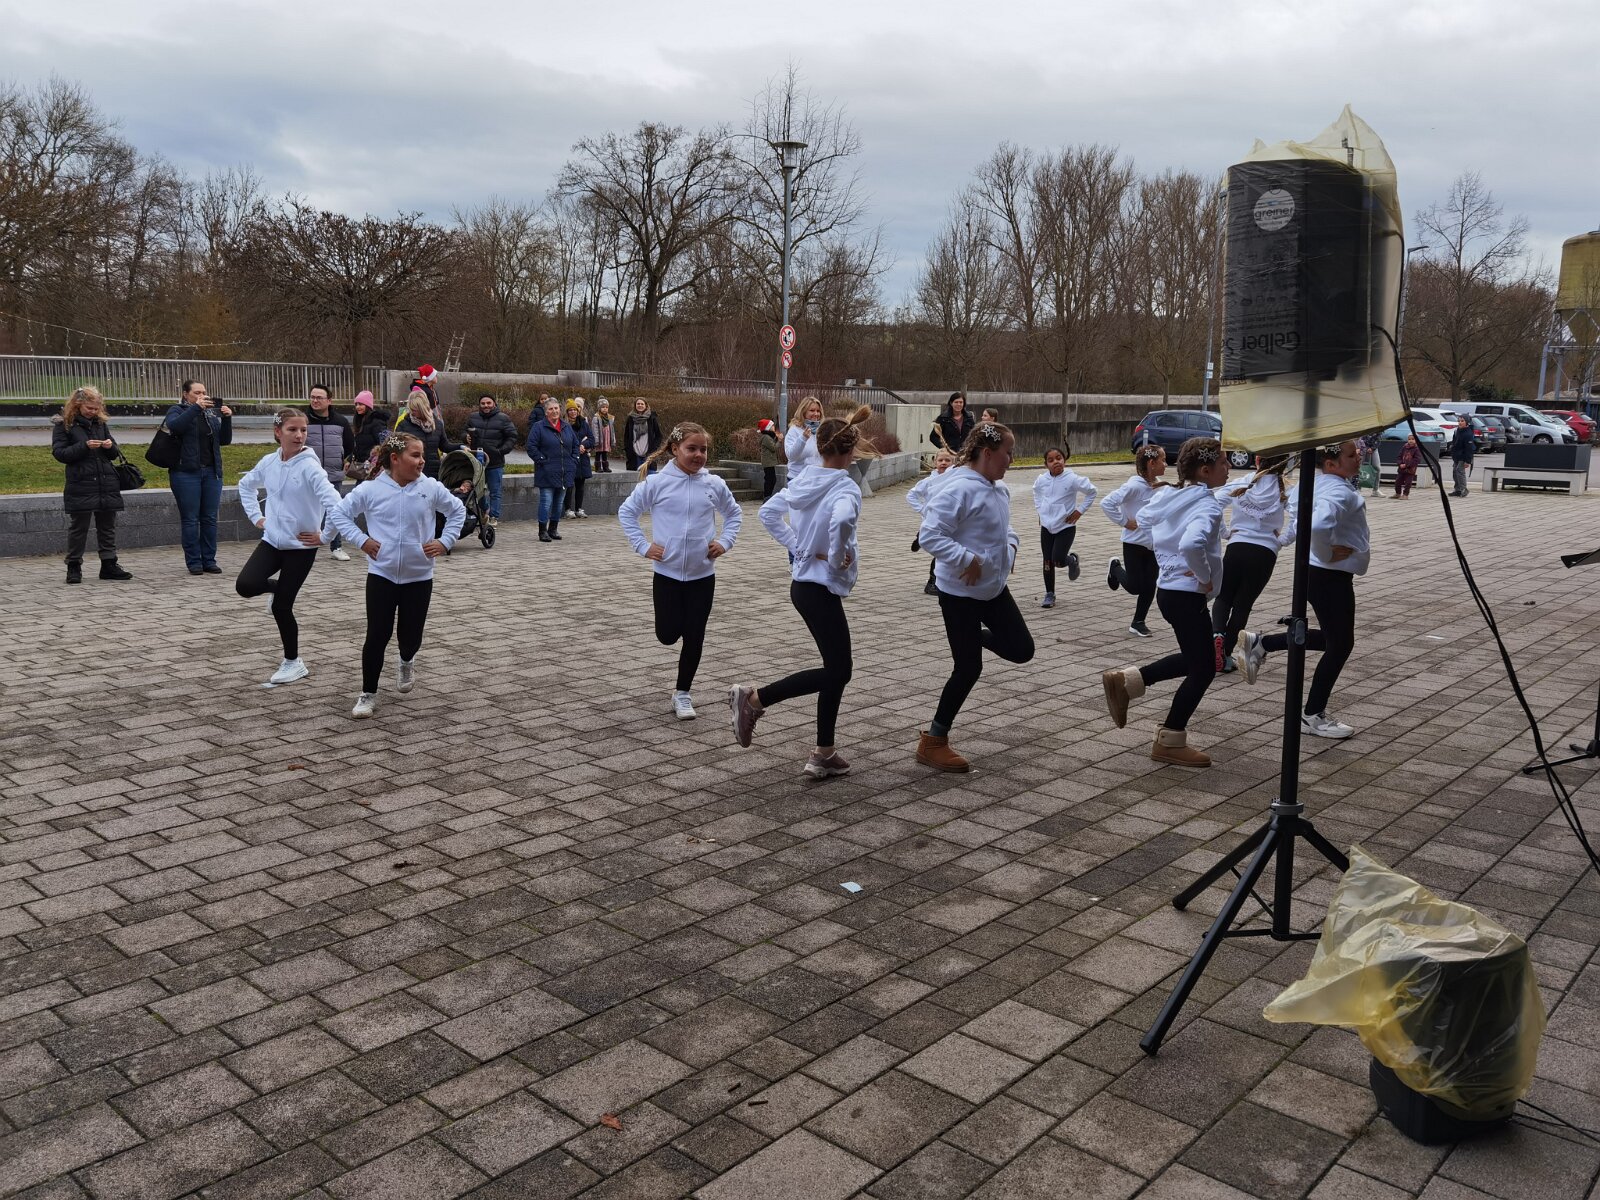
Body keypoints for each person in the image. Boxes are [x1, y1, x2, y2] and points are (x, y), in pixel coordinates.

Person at [731, 407, 875, 778]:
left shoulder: (805, 479)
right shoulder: (845, 486)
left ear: (819, 448)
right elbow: (842, 520)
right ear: (850, 451)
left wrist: (799, 548)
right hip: (820, 589)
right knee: (839, 671)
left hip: (804, 586)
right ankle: (754, 699)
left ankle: (824, 753)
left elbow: (767, 514)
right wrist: (836, 557)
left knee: (834, 669)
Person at [1101, 437, 1230, 767]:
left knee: (1197, 659)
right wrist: (1204, 576)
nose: (1229, 467)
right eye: (1224, 462)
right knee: (1204, 668)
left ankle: (1128, 682)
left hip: (1169, 592)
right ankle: (1170, 740)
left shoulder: (1170, 496)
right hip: (1187, 595)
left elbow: (1148, 521)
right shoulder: (1206, 506)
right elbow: (1191, 544)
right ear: (1205, 470)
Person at [916, 422, 1034, 772]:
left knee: (1022, 649)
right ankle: (933, 741)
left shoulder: (998, 489)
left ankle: (974, 638)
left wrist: (1011, 548)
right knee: (968, 668)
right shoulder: (958, 489)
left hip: (993, 590)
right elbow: (929, 535)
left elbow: (1005, 529)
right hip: (959, 594)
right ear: (986, 453)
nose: (1011, 459)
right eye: (1008, 453)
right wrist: (966, 559)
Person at [1236, 440, 1370, 739]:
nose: (1358, 457)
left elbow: (1300, 518)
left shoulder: (1313, 484)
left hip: (1317, 573)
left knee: (1335, 639)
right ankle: (1312, 715)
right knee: (1340, 645)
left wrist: (1284, 540)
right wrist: (1325, 553)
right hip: (1329, 575)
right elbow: (1317, 525)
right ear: (1331, 464)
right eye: (1351, 454)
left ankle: (1263, 643)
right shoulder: (1338, 491)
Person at [331, 432, 465, 719]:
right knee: (377, 635)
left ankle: (406, 660)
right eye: (415, 455)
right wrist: (362, 540)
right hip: (382, 574)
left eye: (423, 455)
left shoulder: (430, 487)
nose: (422, 461)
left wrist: (445, 541)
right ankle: (368, 693)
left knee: (410, 636)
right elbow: (339, 514)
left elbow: (457, 510)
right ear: (395, 458)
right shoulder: (371, 490)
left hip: (419, 576)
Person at [618, 421, 743, 720]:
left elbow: (734, 514)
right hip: (667, 575)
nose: (699, 455)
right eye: (692, 448)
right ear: (675, 449)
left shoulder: (713, 484)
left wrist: (724, 541)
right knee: (667, 634)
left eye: (703, 449)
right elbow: (627, 512)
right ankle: (678, 633)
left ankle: (683, 693)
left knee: (695, 636)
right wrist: (643, 546)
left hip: (702, 575)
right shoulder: (657, 483)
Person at [235, 410, 345, 687]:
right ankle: (277, 589)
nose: (299, 435)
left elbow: (336, 504)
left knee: (283, 607)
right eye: (292, 430)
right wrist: (257, 518)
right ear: (278, 432)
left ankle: (293, 663)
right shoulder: (269, 462)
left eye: (303, 430)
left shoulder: (310, 468)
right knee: (246, 585)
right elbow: (245, 486)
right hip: (272, 540)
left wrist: (325, 536)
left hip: (301, 547)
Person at [1210, 457, 1295, 674]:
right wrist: (1283, 540)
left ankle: (1216, 635)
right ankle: (1226, 654)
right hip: (1265, 552)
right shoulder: (1286, 489)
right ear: (1285, 464)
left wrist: (1225, 532)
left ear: (1257, 460)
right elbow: (1301, 516)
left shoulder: (1243, 481)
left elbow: (1214, 503)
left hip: (1237, 546)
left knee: (1223, 597)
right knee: (1243, 605)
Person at [52, 385, 132, 585]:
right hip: (81, 482)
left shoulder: (100, 423)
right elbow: (60, 453)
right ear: (77, 405)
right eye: (89, 408)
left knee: (107, 526)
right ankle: (74, 566)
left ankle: (109, 564)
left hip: (106, 481)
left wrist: (110, 446)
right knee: (79, 527)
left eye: (96, 408)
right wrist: (84, 446)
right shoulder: (65, 425)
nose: (93, 412)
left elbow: (113, 453)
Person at [165, 379, 233, 576]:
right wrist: (196, 408)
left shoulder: (209, 413)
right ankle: (194, 561)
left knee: (210, 518)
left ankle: (209, 560)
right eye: (197, 393)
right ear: (185, 394)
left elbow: (224, 440)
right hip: (185, 473)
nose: (202, 396)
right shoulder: (177, 410)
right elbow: (175, 427)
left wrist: (227, 419)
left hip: (211, 472)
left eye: (204, 392)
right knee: (190, 519)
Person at [1101, 445, 1167, 636]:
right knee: (1135, 586)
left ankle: (1138, 622)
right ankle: (1115, 568)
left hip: (1154, 544)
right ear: (1151, 463)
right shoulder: (1134, 486)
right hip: (1134, 543)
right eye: (1163, 460)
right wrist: (1124, 521)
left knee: (1150, 584)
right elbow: (1107, 503)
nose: (1166, 464)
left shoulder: (1161, 486)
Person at [1032, 445, 1096, 609]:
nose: (1055, 462)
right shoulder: (1042, 480)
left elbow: (1092, 492)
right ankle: (1049, 594)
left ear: (1064, 460)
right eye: (1051, 460)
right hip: (1047, 527)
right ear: (1046, 464)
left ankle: (1071, 560)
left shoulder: (1072, 479)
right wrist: (1040, 509)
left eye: (1058, 458)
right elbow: (1036, 491)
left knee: (1058, 560)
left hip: (1065, 526)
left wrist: (1079, 511)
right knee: (1047, 561)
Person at [304, 383, 354, 561]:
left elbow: (349, 445)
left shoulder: (340, 421)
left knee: (335, 510)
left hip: (333, 474)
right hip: (308, 475)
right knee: (307, 510)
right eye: (312, 397)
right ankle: (304, 545)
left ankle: (337, 546)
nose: (315, 400)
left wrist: (345, 460)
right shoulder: (303, 419)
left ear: (329, 401)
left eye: (319, 397)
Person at [527, 397, 577, 542]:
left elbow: (575, 444)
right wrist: (542, 460)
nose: (554, 411)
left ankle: (553, 529)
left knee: (559, 503)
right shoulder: (538, 427)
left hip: (564, 472)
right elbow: (531, 447)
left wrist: (574, 460)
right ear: (546, 412)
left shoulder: (566, 427)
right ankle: (542, 531)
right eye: (551, 409)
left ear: (560, 410)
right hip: (546, 472)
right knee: (546, 502)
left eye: (556, 408)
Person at [907, 449, 956, 596]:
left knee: (944, 550)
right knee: (941, 552)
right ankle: (932, 583)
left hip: (950, 521)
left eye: (947, 460)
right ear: (935, 462)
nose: (944, 463)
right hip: (933, 522)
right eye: (940, 460)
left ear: (953, 463)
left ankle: (921, 537)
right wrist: (923, 510)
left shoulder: (955, 480)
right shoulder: (928, 481)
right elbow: (911, 495)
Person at [465, 392, 516, 526]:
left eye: (488, 403)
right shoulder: (473, 417)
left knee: (495, 492)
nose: (486, 406)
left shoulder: (503, 418)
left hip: (495, 462)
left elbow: (512, 437)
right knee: (477, 491)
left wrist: (501, 451)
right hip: (477, 462)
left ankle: (494, 516)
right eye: (483, 403)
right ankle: (484, 510)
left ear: (494, 403)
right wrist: (465, 437)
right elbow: (463, 431)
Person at [394, 389, 456, 478]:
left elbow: (445, 446)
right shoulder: (403, 425)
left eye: (415, 409)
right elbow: (394, 447)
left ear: (423, 408)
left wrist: (461, 447)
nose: (412, 412)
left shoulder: (437, 424)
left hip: (434, 474)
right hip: (411, 474)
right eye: (411, 408)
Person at [784, 397, 825, 487]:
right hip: (797, 480)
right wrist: (803, 438)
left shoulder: (822, 430)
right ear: (803, 412)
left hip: (817, 480)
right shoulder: (794, 430)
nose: (816, 414)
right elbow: (791, 456)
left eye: (818, 411)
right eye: (812, 410)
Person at [565, 398, 593, 517]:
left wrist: (584, 445)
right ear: (567, 412)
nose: (573, 412)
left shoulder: (583, 423)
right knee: (569, 485)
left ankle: (579, 508)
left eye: (575, 410)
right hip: (571, 457)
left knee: (580, 485)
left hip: (582, 459)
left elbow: (591, 439)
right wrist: (577, 447)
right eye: (570, 410)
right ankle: (567, 509)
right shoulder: (565, 425)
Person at [350, 391, 390, 474]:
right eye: (356, 404)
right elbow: (359, 446)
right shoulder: (360, 421)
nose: (357, 407)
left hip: (372, 465)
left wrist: (374, 460)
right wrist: (350, 459)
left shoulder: (376, 422)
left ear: (367, 406)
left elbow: (383, 443)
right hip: (362, 464)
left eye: (361, 404)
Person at [624, 398, 664, 472]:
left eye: (642, 404)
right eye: (638, 404)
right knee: (636, 477)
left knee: (650, 476)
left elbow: (659, 435)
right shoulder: (630, 418)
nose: (640, 405)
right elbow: (626, 436)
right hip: (634, 454)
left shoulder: (651, 418)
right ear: (635, 405)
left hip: (648, 454)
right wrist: (628, 449)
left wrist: (653, 449)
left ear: (646, 405)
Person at [1449, 416, 1475, 497]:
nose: (1460, 422)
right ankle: (1457, 490)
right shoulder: (1457, 431)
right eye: (1459, 421)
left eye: (1462, 421)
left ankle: (1464, 489)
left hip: (1463, 456)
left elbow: (1469, 448)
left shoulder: (1468, 433)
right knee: (1455, 472)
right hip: (1456, 456)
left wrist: (1468, 461)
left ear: (1467, 422)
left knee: (1460, 471)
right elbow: (1454, 442)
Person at [592, 397, 616, 473]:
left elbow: (612, 429)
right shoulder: (596, 417)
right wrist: (596, 440)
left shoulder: (610, 418)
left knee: (605, 452)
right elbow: (595, 429)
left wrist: (613, 439)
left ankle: (606, 466)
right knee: (598, 452)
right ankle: (598, 467)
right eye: (603, 407)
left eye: (606, 407)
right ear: (599, 408)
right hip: (600, 438)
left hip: (607, 438)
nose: (605, 409)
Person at [758, 418, 781, 499]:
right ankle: (767, 496)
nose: (774, 427)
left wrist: (777, 438)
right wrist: (779, 441)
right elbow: (773, 448)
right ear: (768, 428)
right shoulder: (766, 437)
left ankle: (768, 496)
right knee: (770, 480)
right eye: (772, 426)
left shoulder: (767, 437)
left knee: (771, 479)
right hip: (768, 462)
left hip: (769, 462)